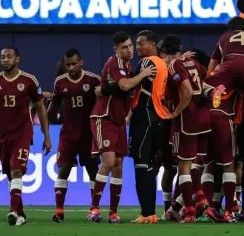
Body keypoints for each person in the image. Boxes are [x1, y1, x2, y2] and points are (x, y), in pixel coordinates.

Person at [0, 47, 52, 226]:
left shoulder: (29, 81)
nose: (5, 60)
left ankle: (12, 211)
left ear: (17, 59)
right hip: (2, 135)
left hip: (23, 133)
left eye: (9, 57)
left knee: (17, 170)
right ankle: (21, 213)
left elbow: (41, 108)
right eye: (2, 57)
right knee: (10, 175)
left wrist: (46, 135)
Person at [87, 31, 156, 224]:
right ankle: (93, 208)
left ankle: (113, 213)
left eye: (130, 46)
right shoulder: (115, 63)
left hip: (118, 120)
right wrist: (143, 74)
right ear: (116, 49)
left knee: (118, 165)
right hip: (104, 116)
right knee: (108, 162)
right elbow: (125, 86)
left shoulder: (126, 65)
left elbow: (124, 88)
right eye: (124, 47)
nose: (129, 50)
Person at [160, 34, 212, 223]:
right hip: (204, 119)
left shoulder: (174, 65)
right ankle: (200, 197)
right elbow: (206, 83)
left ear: (164, 53)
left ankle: (190, 211)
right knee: (195, 165)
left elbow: (188, 92)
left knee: (184, 167)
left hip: (187, 120)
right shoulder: (193, 62)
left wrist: (175, 112)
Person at [48, 49, 101, 223]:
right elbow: (54, 106)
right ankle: (59, 210)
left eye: (74, 63)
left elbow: (103, 103)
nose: (71, 67)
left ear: (81, 62)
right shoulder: (60, 82)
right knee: (63, 170)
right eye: (68, 64)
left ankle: (94, 209)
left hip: (89, 134)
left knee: (93, 172)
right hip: (68, 134)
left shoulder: (93, 80)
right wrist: (45, 126)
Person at [129, 30, 169, 224]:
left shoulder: (146, 62)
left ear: (152, 44)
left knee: (140, 166)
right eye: (136, 44)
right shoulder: (163, 63)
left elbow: (129, 85)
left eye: (141, 43)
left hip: (144, 114)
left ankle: (146, 213)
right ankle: (151, 213)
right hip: (159, 117)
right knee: (149, 167)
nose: (137, 48)